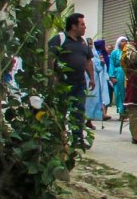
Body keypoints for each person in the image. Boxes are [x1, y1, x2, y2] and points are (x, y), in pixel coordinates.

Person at [48, 13, 94, 148]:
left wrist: (91, 78)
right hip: (63, 84)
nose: (85, 27)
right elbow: (50, 58)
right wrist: (52, 76)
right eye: (82, 24)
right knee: (60, 111)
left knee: (78, 112)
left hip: (80, 83)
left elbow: (88, 61)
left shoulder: (83, 42)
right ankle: (58, 139)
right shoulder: (60, 39)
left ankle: (77, 140)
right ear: (73, 26)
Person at [84, 39, 111, 125]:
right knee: (87, 99)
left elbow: (99, 67)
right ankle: (86, 119)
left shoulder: (95, 54)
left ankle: (89, 120)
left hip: (95, 79)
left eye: (91, 44)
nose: (90, 46)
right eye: (89, 44)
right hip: (86, 78)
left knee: (94, 99)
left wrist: (102, 63)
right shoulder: (84, 54)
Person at [110, 36, 128, 121]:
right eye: (122, 41)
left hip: (127, 74)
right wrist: (112, 76)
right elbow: (111, 64)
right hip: (118, 74)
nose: (124, 43)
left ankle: (127, 113)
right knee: (119, 94)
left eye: (125, 41)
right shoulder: (114, 53)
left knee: (127, 93)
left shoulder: (128, 52)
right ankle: (121, 113)